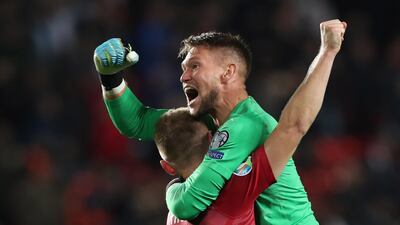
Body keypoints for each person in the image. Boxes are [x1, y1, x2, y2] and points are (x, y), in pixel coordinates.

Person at [93, 19, 347, 224]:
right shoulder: (202, 122)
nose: (183, 77)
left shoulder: (245, 126)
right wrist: (111, 78)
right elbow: (137, 123)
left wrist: (171, 189)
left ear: (227, 72)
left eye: (194, 66)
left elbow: (187, 203)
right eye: (183, 68)